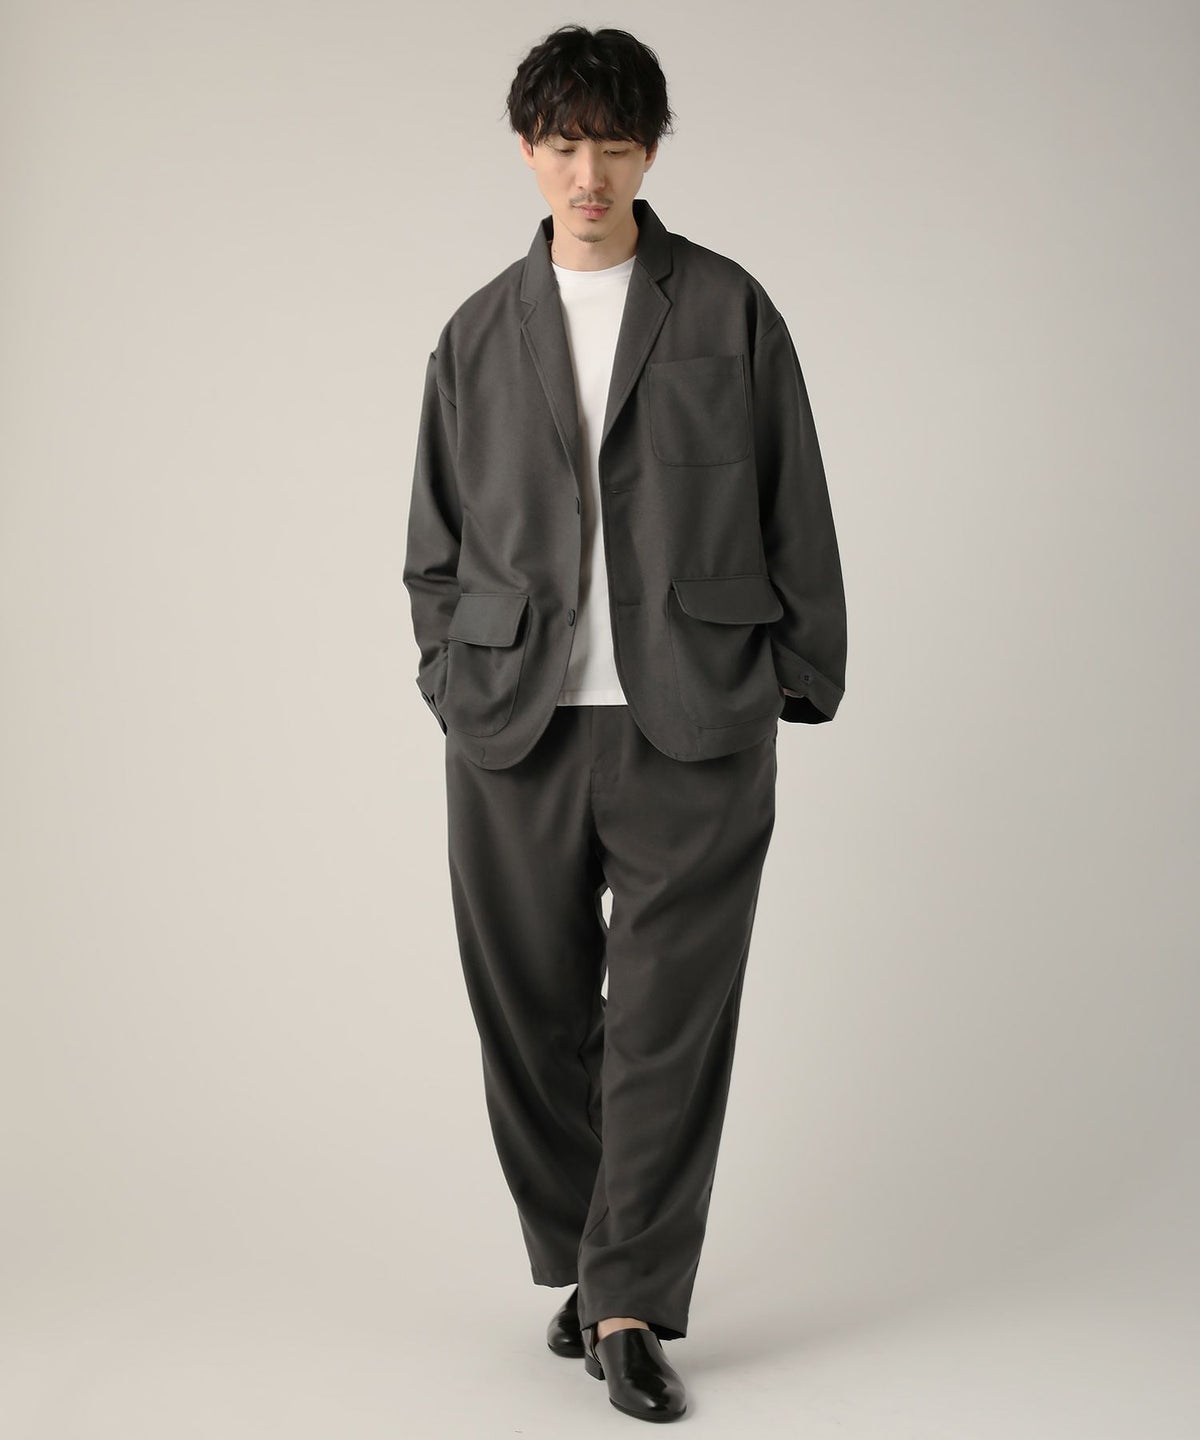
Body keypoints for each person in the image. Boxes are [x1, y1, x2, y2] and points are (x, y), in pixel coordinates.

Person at [404, 23, 847, 1423]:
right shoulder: (477, 332)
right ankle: (589, 1257)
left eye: (612, 143)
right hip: (514, 728)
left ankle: (630, 1304)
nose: (586, 173)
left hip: (694, 723)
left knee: (666, 1029)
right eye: (562, 143)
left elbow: (793, 494)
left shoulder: (727, 308)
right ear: (526, 151)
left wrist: (798, 673)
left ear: (651, 150)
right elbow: (433, 546)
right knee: (531, 1023)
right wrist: (449, 679)